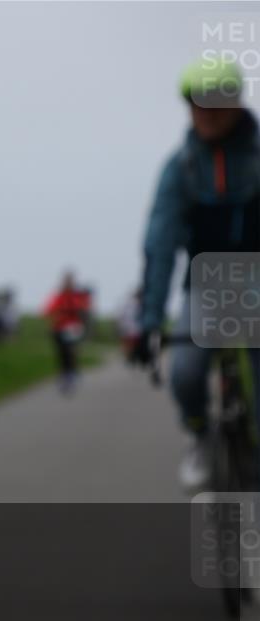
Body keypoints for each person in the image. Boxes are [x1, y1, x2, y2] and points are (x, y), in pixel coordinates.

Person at [133, 59, 260, 490]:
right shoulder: (181, 168)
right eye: (196, 103)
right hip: (205, 286)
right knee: (185, 372)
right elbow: (160, 243)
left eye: (216, 103)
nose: (205, 112)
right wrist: (150, 320)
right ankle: (200, 435)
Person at [43, 271, 91, 394]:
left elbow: (84, 311)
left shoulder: (77, 297)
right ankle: (65, 374)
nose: (68, 284)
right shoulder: (58, 296)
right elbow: (48, 310)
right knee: (62, 353)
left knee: (70, 351)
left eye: (70, 281)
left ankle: (71, 374)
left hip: (73, 328)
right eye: (66, 281)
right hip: (59, 328)